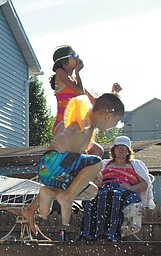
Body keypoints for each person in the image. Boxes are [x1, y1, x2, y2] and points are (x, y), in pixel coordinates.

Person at [22, 93, 125, 235]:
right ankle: (67, 197)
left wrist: (87, 174)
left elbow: (106, 105)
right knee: (97, 162)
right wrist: (63, 136)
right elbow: (67, 127)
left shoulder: (90, 131)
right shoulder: (83, 122)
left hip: (53, 171)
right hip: (53, 162)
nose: (113, 127)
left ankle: (35, 206)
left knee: (91, 191)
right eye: (115, 122)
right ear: (108, 117)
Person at [76, 136, 155, 241]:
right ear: (113, 150)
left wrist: (131, 187)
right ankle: (88, 234)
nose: (121, 149)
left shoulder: (136, 165)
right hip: (104, 188)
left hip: (125, 191)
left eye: (124, 147)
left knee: (114, 195)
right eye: (118, 146)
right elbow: (94, 178)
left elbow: (145, 184)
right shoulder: (104, 164)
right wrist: (96, 181)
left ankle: (111, 234)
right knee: (92, 198)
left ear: (128, 151)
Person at [50, 45, 122, 136]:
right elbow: (80, 92)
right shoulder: (59, 72)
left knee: (97, 150)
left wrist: (114, 93)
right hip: (62, 126)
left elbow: (94, 101)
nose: (78, 58)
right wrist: (77, 73)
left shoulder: (75, 82)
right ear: (64, 62)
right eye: (74, 56)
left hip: (73, 127)